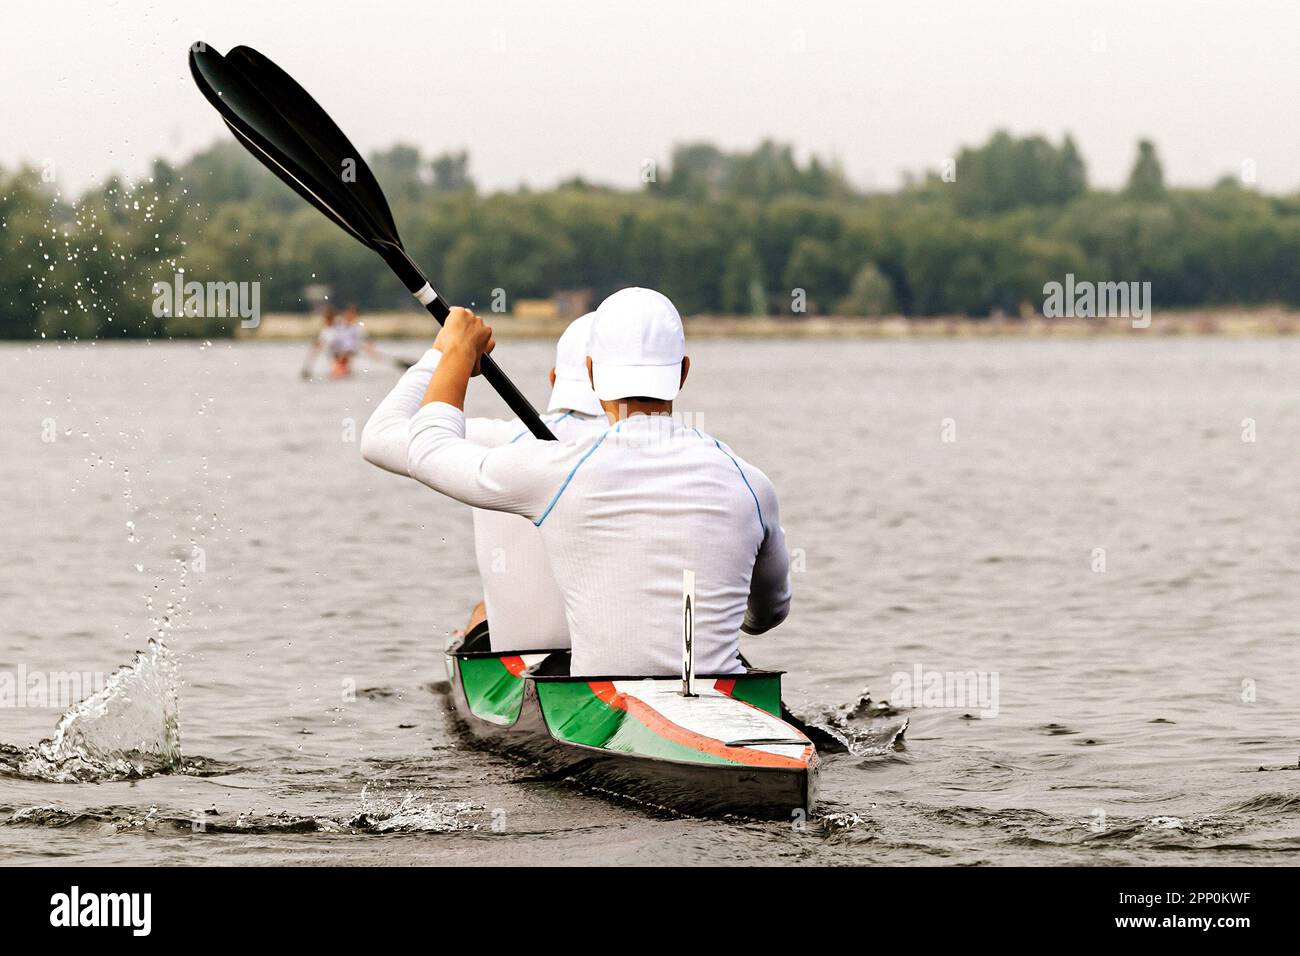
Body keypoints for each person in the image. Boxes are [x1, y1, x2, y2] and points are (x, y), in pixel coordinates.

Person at [393, 287, 791, 677]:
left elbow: (427, 451)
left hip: (598, 704)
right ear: (683, 373)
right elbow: (767, 615)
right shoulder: (750, 482)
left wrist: (455, 354)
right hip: (725, 689)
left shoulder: (558, 469)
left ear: (591, 374)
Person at [360, 314, 608, 650]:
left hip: (524, 650)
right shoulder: (672, 451)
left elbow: (377, 438)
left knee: (482, 613)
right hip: (620, 654)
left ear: (554, 379)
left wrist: (446, 352)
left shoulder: (500, 439)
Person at [301, 305, 340, 379]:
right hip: (330, 354)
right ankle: (308, 369)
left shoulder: (338, 327)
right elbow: (320, 342)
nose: (325, 320)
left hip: (337, 355)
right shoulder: (325, 330)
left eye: (327, 318)